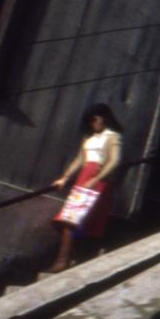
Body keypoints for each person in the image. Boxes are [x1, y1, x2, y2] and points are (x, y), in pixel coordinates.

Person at [48, 103, 123, 273]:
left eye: (95, 118)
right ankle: (72, 258)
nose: (94, 122)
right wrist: (64, 178)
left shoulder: (112, 136)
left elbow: (115, 161)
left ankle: (64, 261)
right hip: (83, 179)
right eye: (90, 120)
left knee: (71, 220)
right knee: (70, 220)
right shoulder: (88, 138)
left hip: (98, 180)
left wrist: (96, 178)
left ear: (103, 117)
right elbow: (79, 160)